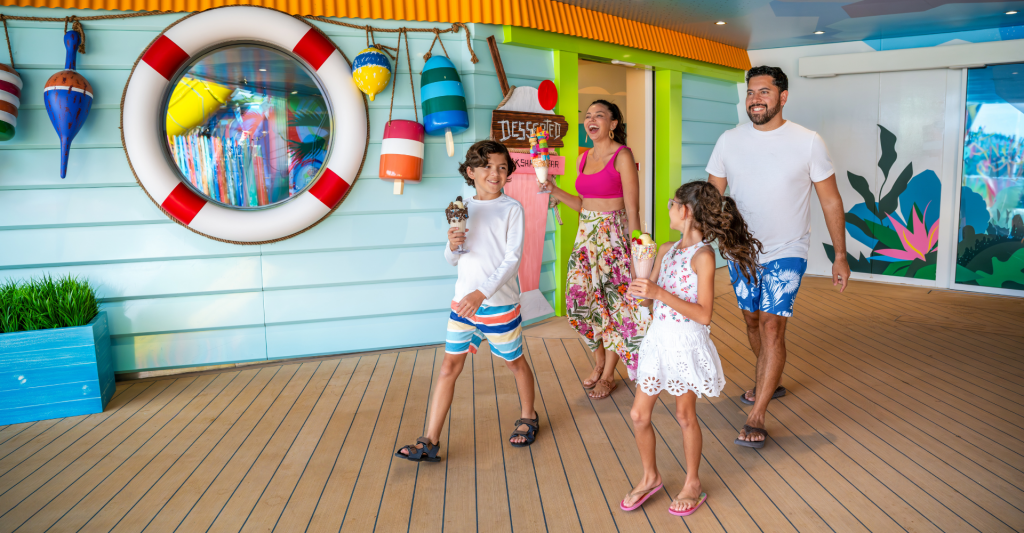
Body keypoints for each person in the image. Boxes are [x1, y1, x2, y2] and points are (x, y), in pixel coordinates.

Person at [705, 66, 850, 449]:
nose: (755, 98)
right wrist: (697, 241)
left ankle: (757, 414)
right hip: (741, 250)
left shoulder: (807, 141)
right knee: (752, 321)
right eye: (751, 92)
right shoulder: (728, 140)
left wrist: (840, 255)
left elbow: (830, 200)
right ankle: (769, 377)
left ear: (783, 97)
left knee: (771, 325)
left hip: (788, 249)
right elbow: (711, 199)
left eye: (764, 92)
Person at [622, 181, 762, 516]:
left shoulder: (703, 257)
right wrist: (638, 290)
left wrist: (658, 294)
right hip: (658, 340)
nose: (668, 208)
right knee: (638, 414)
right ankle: (650, 475)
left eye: (672, 204)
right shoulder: (667, 248)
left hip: (685, 344)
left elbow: (703, 313)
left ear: (686, 211)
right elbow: (649, 296)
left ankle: (693, 482)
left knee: (685, 415)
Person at [395, 140, 538, 462]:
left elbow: (512, 261)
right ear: (471, 171)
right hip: (463, 303)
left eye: (502, 167)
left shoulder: (511, 209)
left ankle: (528, 416)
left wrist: (481, 293)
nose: (495, 173)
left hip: (498, 303)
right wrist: (452, 244)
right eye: (487, 166)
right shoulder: (462, 208)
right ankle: (429, 440)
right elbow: (452, 259)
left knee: (514, 363)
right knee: (449, 366)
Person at [541, 99, 649, 399]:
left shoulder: (622, 156)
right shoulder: (581, 158)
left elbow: (633, 208)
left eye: (599, 115)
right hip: (585, 239)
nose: (591, 120)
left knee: (613, 306)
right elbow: (582, 204)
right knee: (579, 302)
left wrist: (635, 249)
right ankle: (599, 361)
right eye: (588, 116)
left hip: (613, 240)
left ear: (613, 124)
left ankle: (609, 373)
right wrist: (555, 191)